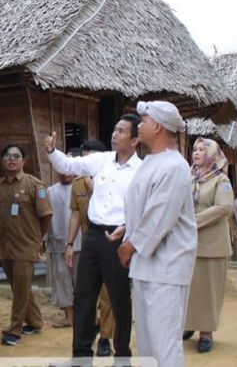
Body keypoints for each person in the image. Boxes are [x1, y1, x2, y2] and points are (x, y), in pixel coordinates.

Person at [45, 115, 142, 360]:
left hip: (119, 238)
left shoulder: (142, 170)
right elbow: (68, 166)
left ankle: (122, 355)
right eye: (115, 129)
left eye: (121, 131)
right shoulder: (102, 160)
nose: (114, 134)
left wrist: (129, 232)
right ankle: (80, 355)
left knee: (119, 298)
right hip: (93, 235)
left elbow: (145, 209)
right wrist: (53, 151)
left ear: (135, 139)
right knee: (84, 297)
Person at [117, 100, 197, 367]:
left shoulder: (175, 166)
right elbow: (143, 209)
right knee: (149, 344)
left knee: (164, 342)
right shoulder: (151, 162)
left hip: (168, 266)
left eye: (144, 120)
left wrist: (130, 245)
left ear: (158, 126)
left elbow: (160, 217)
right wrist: (126, 229)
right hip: (146, 265)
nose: (139, 125)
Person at [0, 144, 52, 346]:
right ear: (2, 161)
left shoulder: (35, 185)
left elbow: (46, 216)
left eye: (16, 156)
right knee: (20, 288)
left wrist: (37, 240)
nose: (11, 159)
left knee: (20, 290)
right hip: (7, 246)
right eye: (7, 155)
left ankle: (14, 330)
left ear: (23, 161)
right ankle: (34, 322)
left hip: (26, 247)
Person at [183, 137, 233, 353]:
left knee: (209, 291)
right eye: (195, 149)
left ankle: (206, 332)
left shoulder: (221, 181)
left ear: (211, 155)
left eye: (202, 149)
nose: (197, 152)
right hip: (188, 244)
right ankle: (190, 324)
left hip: (212, 246)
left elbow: (224, 207)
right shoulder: (189, 177)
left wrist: (193, 221)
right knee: (190, 289)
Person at [66, 139, 114, 356]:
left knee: (108, 294)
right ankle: (87, 337)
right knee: (85, 294)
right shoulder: (77, 183)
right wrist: (69, 243)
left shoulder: (114, 178)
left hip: (112, 243)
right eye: (84, 157)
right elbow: (75, 214)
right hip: (88, 244)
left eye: (91, 156)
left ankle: (106, 338)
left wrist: (95, 187)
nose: (86, 161)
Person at [47, 150, 81, 330]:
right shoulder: (49, 192)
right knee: (61, 279)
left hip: (82, 243)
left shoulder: (84, 188)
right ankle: (69, 317)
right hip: (58, 242)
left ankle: (84, 316)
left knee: (81, 280)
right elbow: (44, 218)